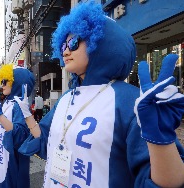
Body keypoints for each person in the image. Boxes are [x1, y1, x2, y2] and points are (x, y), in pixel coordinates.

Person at [15, 2, 184, 188]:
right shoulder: (66, 98)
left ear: (102, 43)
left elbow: (167, 181)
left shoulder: (129, 100)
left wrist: (161, 139)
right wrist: (27, 115)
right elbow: (46, 141)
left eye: (73, 42)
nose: (65, 50)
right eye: (63, 43)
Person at [0, 64, 35, 187]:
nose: (1, 85)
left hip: (12, 158)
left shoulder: (19, 105)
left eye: (4, 81)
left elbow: (20, 135)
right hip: (2, 152)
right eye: (0, 81)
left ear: (17, 82)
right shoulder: (7, 102)